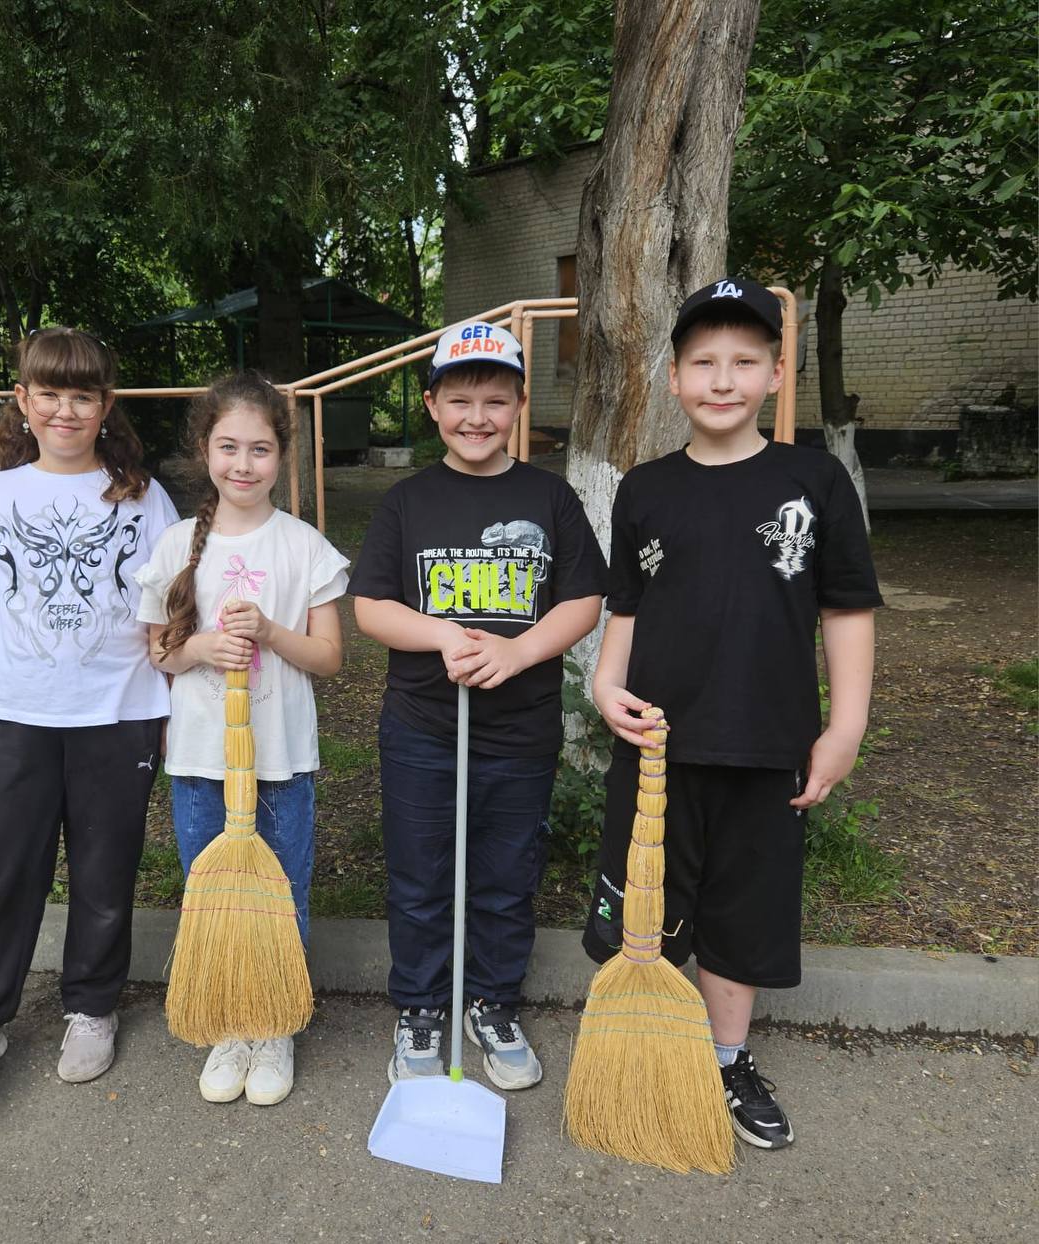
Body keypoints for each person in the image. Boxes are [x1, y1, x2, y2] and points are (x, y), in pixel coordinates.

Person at [585, 276, 883, 1149]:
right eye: (703, 362)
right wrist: (606, 685)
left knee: (743, 915)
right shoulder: (644, 487)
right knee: (647, 905)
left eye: (744, 361)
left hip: (766, 743)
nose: (723, 379)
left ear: (775, 372)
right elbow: (627, 607)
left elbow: (847, 610)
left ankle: (725, 1058)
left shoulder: (815, 480)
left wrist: (846, 726)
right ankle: (648, 1047)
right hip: (655, 744)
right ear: (673, 377)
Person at [350, 321, 605, 1090]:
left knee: (504, 876)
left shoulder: (549, 497)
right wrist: (440, 635)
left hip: (520, 733)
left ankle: (492, 1001)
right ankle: (422, 1007)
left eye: (496, 401)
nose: (477, 417)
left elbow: (584, 598)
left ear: (521, 404)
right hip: (424, 728)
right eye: (459, 400)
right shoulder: (408, 502)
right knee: (422, 876)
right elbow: (370, 607)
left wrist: (518, 650)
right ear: (431, 406)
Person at [0, 327, 179, 1083]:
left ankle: (92, 1006)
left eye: (83, 396)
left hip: (118, 713)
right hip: (18, 713)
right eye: (50, 394)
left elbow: (171, 612)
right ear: (23, 400)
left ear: (106, 406)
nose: (66, 411)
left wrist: (170, 709)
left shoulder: (142, 497)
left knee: (106, 871)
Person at [136, 371, 348, 1108]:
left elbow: (329, 658)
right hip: (200, 759)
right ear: (205, 449)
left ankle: (276, 1019)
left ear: (281, 456)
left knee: (282, 888)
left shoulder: (304, 547)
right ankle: (230, 1019)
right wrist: (197, 650)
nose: (244, 464)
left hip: (282, 757)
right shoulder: (174, 547)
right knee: (213, 887)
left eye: (260, 449)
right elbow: (158, 650)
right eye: (229, 447)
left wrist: (271, 633)